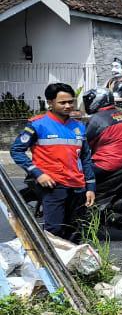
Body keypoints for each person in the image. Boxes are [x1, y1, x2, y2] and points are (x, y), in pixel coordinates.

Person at [10, 83, 96, 240]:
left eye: (71, 102)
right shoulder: (38, 124)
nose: (68, 106)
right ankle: (51, 264)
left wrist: (90, 187)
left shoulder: (79, 126)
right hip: (53, 185)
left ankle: (70, 264)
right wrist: (38, 174)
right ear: (50, 103)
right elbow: (16, 151)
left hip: (77, 186)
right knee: (54, 231)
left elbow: (85, 158)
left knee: (75, 232)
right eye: (62, 103)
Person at [83, 89, 122, 178]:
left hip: (105, 164)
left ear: (98, 100)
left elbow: (84, 141)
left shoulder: (96, 119)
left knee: (75, 175)